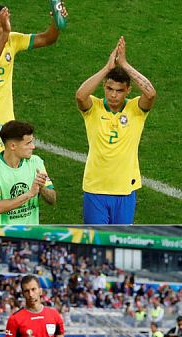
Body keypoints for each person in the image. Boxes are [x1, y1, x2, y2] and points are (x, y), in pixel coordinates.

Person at [76, 37, 156, 224]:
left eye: (119, 90)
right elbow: (80, 96)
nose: (113, 94)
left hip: (125, 190)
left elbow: (150, 93)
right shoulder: (93, 108)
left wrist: (125, 65)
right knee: (98, 241)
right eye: (109, 88)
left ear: (128, 90)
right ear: (104, 86)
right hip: (95, 188)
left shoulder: (136, 109)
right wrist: (107, 68)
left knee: (120, 240)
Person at [0, 3, 66, 123]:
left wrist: (56, 20)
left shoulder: (11, 40)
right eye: (2, 25)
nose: (7, 27)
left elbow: (47, 39)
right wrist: (5, 34)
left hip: (6, 123)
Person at [0, 121, 55, 224]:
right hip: (2, 235)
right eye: (28, 143)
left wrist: (42, 188)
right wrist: (29, 194)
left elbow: (52, 199)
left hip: (30, 234)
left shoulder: (36, 162)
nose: (33, 147)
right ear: (13, 146)